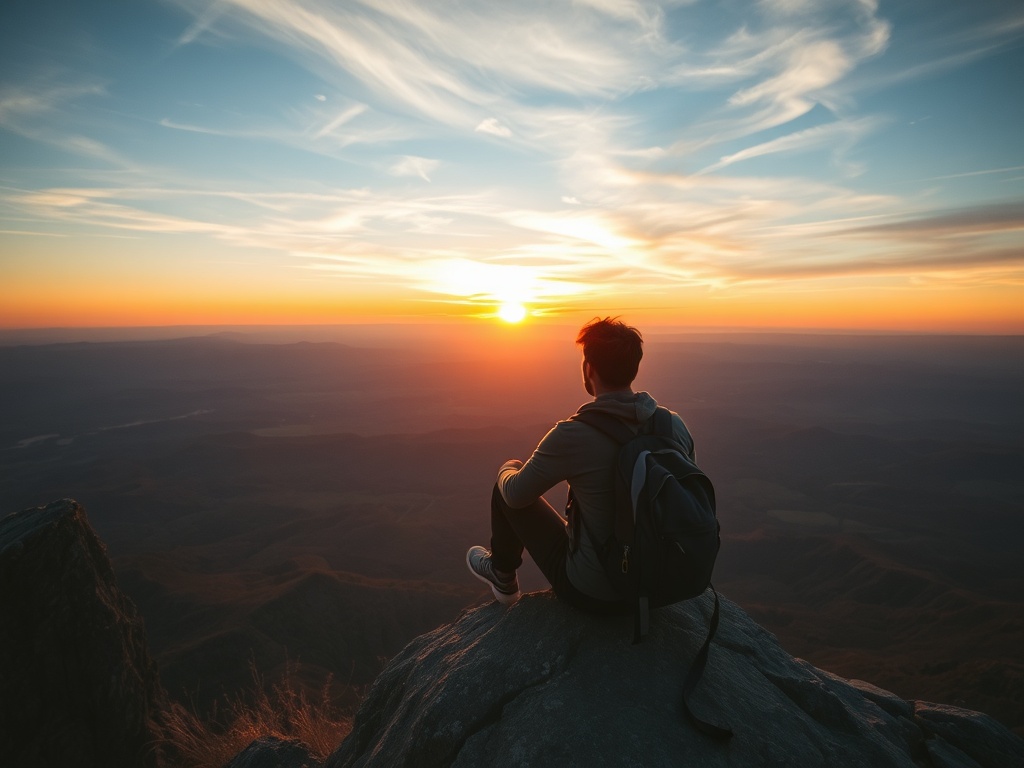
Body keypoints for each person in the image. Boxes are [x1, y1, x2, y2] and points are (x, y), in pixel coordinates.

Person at [466, 316, 696, 612]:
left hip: (597, 594)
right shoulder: (673, 426)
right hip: (660, 586)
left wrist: (507, 467)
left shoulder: (574, 434)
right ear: (633, 367)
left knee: (505, 488)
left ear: (589, 369)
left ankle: (502, 575)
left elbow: (515, 496)